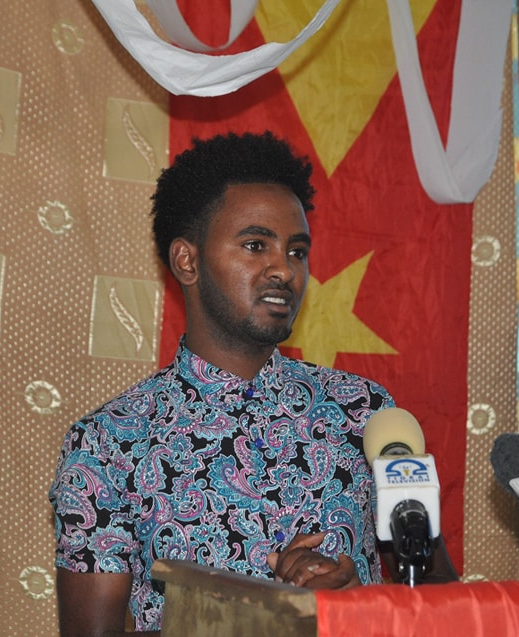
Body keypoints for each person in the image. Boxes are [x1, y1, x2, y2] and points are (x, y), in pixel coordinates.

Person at [49, 131, 396, 636]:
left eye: (297, 251)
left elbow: (441, 594)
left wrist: (360, 605)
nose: (285, 270)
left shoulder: (366, 413)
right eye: (256, 246)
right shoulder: (109, 442)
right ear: (187, 261)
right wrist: (247, 620)